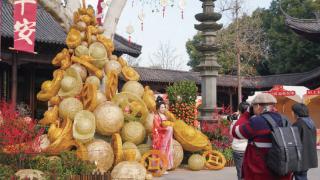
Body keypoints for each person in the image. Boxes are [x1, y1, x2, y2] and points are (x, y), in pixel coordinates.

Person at [231, 93, 292, 180]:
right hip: (283, 172)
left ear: (258, 106)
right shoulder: (285, 120)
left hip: (260, 173)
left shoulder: (256, 122)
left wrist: (247, 113)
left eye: (253, 106)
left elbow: (235, 132)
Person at [292, 103, 318, 180]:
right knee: (303, 176)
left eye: (292, 111)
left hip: (301, 158)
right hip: (309, 157)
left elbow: (293, 141)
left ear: (296, 112)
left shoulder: (298, 124)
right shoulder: (311, 122)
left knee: (300, 177)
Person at [152, 96, 174, 171]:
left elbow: (166, 123)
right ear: (158, 108)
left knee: (166, 150)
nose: (163, 109)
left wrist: (168, 126)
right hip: (160, 136)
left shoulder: (164, 116)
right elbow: (156, 127)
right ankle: (158, 166)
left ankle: (164, 166)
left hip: (166, 135)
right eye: (162, 107)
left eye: (164, 107)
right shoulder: (156, 116)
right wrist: (165, 129)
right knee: (160, 150)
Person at [229, 102, 250, 180]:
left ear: (239, 110)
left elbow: (232, 133)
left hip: (238, 149)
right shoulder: (252, 120)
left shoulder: (236, 121)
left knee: (240, 171)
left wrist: (234, 120)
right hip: (249, 148)